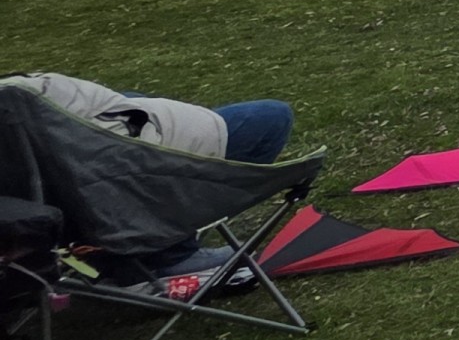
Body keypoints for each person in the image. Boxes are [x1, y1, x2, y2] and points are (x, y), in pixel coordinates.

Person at [2, 72, 296, 295]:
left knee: (132, 97)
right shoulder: (19, 100)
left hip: (59, 210)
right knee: (271, 118)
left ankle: (126, 254)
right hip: (111, 187)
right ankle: (165, 255)